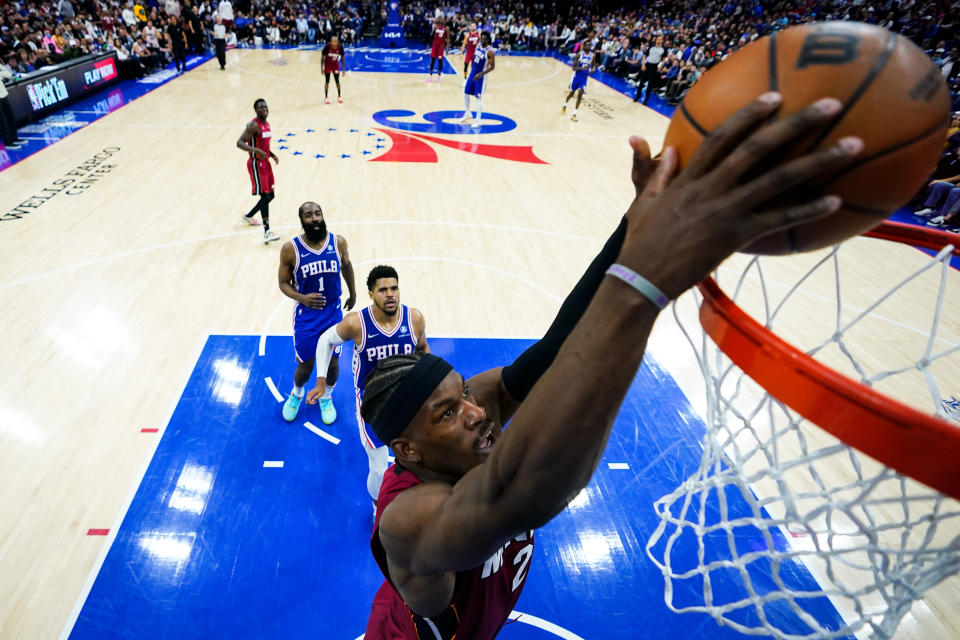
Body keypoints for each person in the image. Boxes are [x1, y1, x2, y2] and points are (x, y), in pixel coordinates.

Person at [360, 93, 864, 639]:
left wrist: (639, 224)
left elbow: (556, 347)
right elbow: (522, 493)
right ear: (409, 451)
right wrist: (645, 284)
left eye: (464, 394)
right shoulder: (409, 519)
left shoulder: (475, 411)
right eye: (446, 413)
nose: (475, 412)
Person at [305, 265, 428, 502]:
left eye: (394, 288)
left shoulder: (414, 318)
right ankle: (377, 507)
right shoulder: (357, 323)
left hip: (406, 397)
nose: (390, 294)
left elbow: (423, 351)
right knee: (380, 467)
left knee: (418, 457)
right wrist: (321, 382)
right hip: (372, 402)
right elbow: (325, 341)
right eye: (383, 290)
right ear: (371, 294)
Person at [278, 201, 357, 423]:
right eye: (309, 215)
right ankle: (296, 393)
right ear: (302, 220)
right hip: (307, 317)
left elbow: (347, 266)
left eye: (317, 214)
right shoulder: (290, 249)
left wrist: (353, 293)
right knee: (305, 365)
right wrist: (302, 298)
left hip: (332, 313)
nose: (314, 218)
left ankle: (326, 397)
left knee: (332, 363)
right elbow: (283, 283)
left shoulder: (338, 242)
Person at [236, 98, 280, 243]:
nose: (264, 109)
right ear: (256, 110)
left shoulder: (266, 124)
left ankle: (248, 216)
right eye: (261, 107)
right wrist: (255, 150)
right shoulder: (253, 125)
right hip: (256, 164)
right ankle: (267, 232)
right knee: (265, 197)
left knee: (270, 196)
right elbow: (239, 143)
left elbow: (264, 144)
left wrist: (271, 154)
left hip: (266, 163)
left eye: (265, 107)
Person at [458, 31, 494, 128]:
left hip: (481, 77)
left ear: (487, 40)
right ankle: (467, 113)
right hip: (473, 73)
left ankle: (478, 120)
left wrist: (481, 74)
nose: (482, 40)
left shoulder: (490, 51)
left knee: (478, 98)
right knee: (465, 92)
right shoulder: (478, 45)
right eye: (481, 38)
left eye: (484, 38)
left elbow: (492, 67)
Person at [562, 40, 595, 122]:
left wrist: (592, 70)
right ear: (584, 46)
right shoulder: (579, 54)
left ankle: (574, 114)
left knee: (580, 94)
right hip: (576, 77)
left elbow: (593, 66)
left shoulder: (593, 55)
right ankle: (564, 105)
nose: (588, 47)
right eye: (587, 45)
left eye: (589, 45)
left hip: (584, 78)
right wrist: (581, 68)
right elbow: (573, 68)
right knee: (571, 94)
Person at [1, 57, 26, 150]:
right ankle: (8, 142)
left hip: (3, 94)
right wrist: (3, 74)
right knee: (2, 122)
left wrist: (4, 74)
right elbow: (6, 74)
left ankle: (14, 138)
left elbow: (8, 74)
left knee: (10, 116)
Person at [635, 35, 664, 104]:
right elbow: (645, 55)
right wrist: (643, 64)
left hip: (654, 67)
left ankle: (646, 100)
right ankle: (637, 96)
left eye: (660, 39)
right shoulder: (651, 47)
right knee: (641, 82)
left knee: (650, 85)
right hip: (647, 65)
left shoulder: (663, 49)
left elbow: (664, 59)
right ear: (656, 40)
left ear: (662, 41)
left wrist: (660, 66)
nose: (659, 41)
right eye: (658, 39)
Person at [321, 35, 343, 104]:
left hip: (335, 65)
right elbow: (322, 57)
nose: (335, 43)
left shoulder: (340, 47)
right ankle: (326, 97)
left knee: (337, 81)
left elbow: (342, 58)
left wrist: (344, 69)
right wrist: (322, 68)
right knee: (327, 81)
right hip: (327, 65)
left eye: (336, 41)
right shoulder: (327, 47)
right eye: (333, 41)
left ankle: (339, 96)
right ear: (331, 42)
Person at [428, 17, 449, 82]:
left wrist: (447, 48)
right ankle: (430, 76)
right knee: (432, 60)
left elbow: (448, 38)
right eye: (440, 19)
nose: (441, 20)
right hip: (435, 45)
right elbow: (432, 35)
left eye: (442, 19)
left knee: (440, 61)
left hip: (441, 46)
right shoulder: (435, 26)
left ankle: (439, 76)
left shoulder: (447, 28)